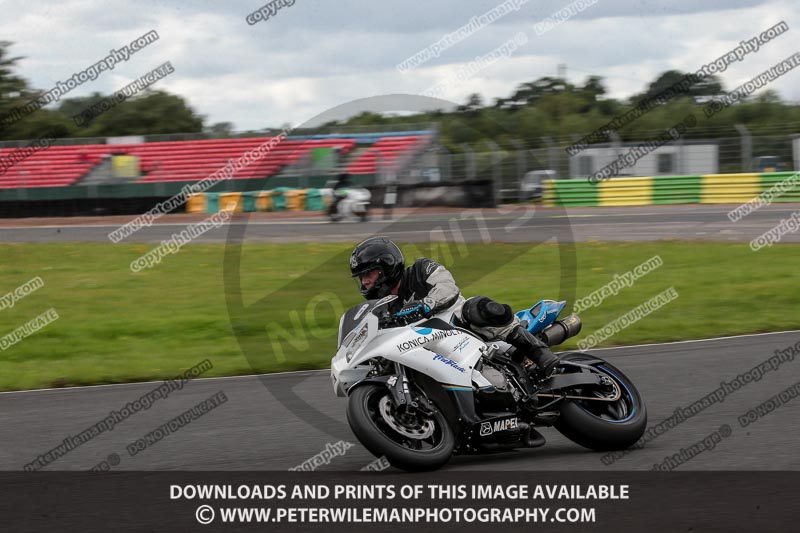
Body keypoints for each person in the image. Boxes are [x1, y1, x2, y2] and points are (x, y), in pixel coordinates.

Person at [348, 236, 560, 378]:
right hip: (433, 350)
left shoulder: (420, 270)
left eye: (369, 273)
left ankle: (539, 352)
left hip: (463, 327)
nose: (364, 282)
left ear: (386, 266)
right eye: (361, 277)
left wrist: (425, 305)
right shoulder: (385, 308)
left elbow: (448, 288)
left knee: (478, 307)